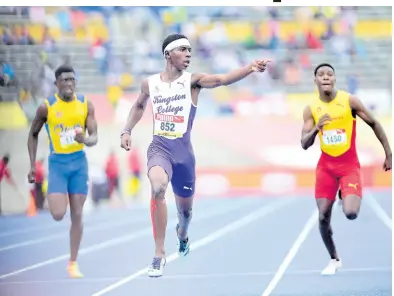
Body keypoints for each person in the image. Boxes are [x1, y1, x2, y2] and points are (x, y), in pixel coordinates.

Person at [120, 33, 270, 277]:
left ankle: (183, 234)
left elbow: (222, 79)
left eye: (190, 50)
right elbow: (138, 106)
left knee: (186, 213)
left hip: (184, 155)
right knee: (157, 188)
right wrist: (126, 130)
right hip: (160, 148)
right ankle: (159, 254)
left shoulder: (194, 81)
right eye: (183, 50)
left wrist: (250, 68)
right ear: (168, 54)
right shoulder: (150, 84)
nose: (189, 54)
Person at [301, 63, 392, 275]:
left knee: (351, 213)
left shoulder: (349, 101)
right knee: (323, 216)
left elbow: (375, 123)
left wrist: (388, 153)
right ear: (315, 80)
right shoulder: (311, 109)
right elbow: (304, 144)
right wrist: (316, 128)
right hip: (326, 167)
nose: (325, 77)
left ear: (334, 79)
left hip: (349, 165)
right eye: (321, 75)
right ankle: (334, 258)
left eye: (329, 74)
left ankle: (346, 191)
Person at [27, 65, 98, 278]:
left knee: (77, 213)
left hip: (79, 163)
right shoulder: (46, 107)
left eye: (72, 80)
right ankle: (59, 198)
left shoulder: (85, 104)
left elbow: (94, 137)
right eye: (65, 80)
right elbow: (33, 134)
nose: (69, 83)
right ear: (56, 83)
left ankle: (73, 263)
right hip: (57, 163)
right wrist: (32, 165)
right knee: (58, 214)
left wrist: (84, 139)